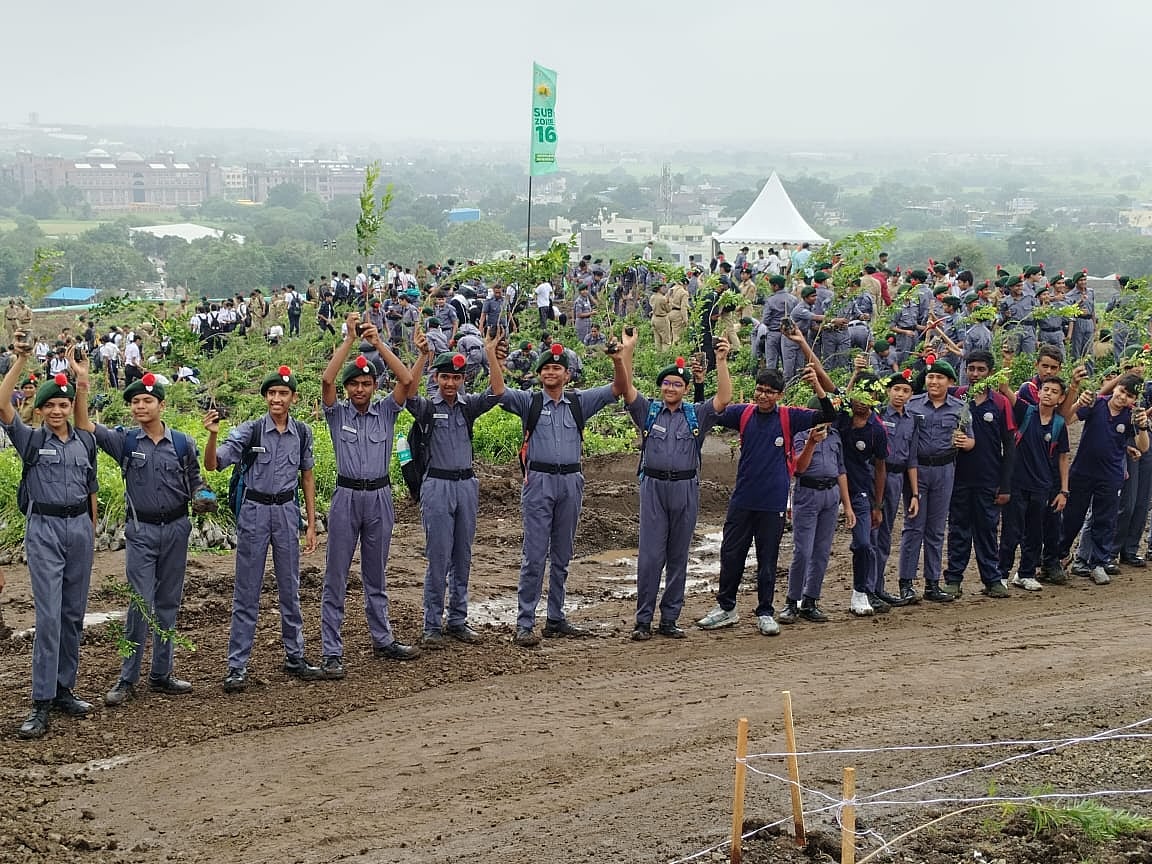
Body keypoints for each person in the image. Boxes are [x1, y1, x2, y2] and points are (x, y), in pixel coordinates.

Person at [77, 364, 202, 708]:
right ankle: (128, 677)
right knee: (140, 603)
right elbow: (84, 425)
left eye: (147, 400)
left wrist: (203, 497)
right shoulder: (125, 440)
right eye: (135, 402)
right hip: (141, 531)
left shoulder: (182, 443)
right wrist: (82, 384)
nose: (139, 406)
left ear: (161, 405)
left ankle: (162, 673)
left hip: (177, 528)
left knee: (167, 603)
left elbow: (195, 480)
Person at [697, 329, 836, 635]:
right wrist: (711, 372)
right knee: (731, 554)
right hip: (742, 499)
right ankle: (726, 608)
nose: (762, 395)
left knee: (768, 560)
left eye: (769, 392)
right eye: (759, 389)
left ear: (779, 395)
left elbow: (829, 414)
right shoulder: (743, 413)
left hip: (772, 503)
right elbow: (708, 414)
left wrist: (818, 386)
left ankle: (765, 612)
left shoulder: (790, 417)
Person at [203, 366, 323, 691]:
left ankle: (295, 656)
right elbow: (213, 464)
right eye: (271, 393)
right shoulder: (250, 431)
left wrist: (310, 523)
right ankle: (236, 666)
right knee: (247, 591)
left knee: (290, 588)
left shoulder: (303, 433)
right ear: (265, 397)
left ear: (293, 398)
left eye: (283, 393)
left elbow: (307, 478)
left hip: (286, 512)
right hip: (254, 512)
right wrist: (213, 435)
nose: (276, 398)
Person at [0, 345, 97, 740]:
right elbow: (1, 402)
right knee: (49, 617)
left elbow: (90, 488)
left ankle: (63, 691)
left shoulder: (85, 441)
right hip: (44, 530)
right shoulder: (30, 440)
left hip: (79, 529)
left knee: (73, 614)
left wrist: (90, 529)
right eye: (50, 406)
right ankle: (40, 702)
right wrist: (20, 361)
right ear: (39, 411)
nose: (57, 411)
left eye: (63, 404)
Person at [498, 341, 622, 646]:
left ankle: (555, 619)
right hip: (539, 482)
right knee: (534, 556)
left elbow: (619, 388)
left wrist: (620, 358)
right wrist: (492, 356)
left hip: (570, 482)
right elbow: (499, 392)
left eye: (557, 368)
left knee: (563, 555)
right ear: (540, 375)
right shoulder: (530, 402)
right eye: (547, 368)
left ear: (567, 374)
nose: (551, 372)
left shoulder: (579, 402)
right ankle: (525, 622)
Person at [318, 312, 417, 680]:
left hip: (379, 497)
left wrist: (377, 343)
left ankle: (383, 638)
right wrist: (348, 339)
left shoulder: (386, 413)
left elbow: (406, 379)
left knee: (376, 574)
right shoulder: (336, 414)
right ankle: (331, 651)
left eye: (366, 383)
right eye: (354, 384)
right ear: (347, 389)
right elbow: (327, 379)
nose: (360, 389)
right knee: (336, 576)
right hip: (346, 497)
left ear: (375, 386)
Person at [613, 333, 732, 640]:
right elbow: (625, 389)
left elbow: (724, 398)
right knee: (650, 557)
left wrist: (721, 362)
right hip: (653, 489)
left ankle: (669, 619)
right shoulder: (648, 411)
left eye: (677, 384)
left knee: (679, 556)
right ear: (661, 387)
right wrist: (628, 350)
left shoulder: (697, 414)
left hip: (686, 490)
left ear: (686, 389)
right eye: (666, 383)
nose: (671, 388)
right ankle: (643, 621)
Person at [405, 330, 505, 645]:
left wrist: (490, 354)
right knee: (438, 556)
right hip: (436, 485)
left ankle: (458, 620)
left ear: (463, 379)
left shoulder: (467, 406)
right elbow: (407, 394)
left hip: (466, 485)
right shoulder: (426, 407)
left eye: (456, 378)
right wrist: (423, 357)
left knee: (462, 555)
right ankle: (432, 624)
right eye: (445, 377)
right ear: (436, 378)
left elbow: (497, 392)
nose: (450, 383)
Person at [1058, 374, 1150, 584]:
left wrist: (1143, 427)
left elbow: (1143, 447)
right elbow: (1067, 420)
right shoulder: (1096, 404)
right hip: (1082, 472)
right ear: (1115, 388)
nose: (1123, 397)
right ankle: (1059, 556)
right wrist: (1077, 403)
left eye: (1129, 396)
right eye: (1121, 391)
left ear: (1134, 400)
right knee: (1072, 518)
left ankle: (1098, 563)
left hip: (1110, 477)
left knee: (1105, 520)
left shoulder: (1131, 416)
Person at [897, 360, 974, 604]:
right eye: (931, 377)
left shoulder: (960, 408)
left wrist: (965, 442)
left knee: (936, 529)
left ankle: (932, 583)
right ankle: (906, 583)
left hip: (945, 470)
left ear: (951, 382)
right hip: (916, 471)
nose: (934, 382)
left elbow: (971, 441)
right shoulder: (913, 403)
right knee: (913, 527)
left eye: (940, 378)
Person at [941, 351, 1017, 598]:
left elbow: (1010, 444)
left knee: (987, 529)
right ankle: (953, 580)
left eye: (981, 369)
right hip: (957, 478)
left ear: (990, 372)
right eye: (971, 368)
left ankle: (992, 579)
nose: (975, 374)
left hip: (988, 479)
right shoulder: (955, 397)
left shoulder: (1000, 403)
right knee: (958, 529)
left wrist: (1005, 485)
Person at [778, 403, 857, 624]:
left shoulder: (835, 436)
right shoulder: (800, 435)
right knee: (802, 551)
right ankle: (792, 601)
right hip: (808, 493)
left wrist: (847, 505)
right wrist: (812, 442)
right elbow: (798, 468)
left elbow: (841, 469)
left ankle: (811, 599)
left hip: (830, 494)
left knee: (822, 552)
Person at [999, 377, 1071, 592]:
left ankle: (1026, 573)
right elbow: (1005, 388)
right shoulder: (1024, 411)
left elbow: (1063, 458)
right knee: (1011, 531)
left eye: (1054, 391)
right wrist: (1006, 365)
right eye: (1045, 389)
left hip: (1043, 486)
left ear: (1061, 398)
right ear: (1038, 392)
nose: (1048, 393)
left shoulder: (1059, 425)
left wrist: (1063, 491)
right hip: (1017, 484)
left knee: (1034, 533)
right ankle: (1001, 573)